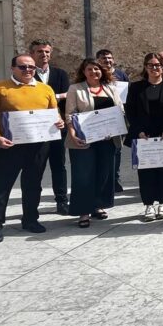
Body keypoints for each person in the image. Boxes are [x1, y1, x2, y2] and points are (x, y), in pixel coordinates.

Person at [0, 54, 65, 242]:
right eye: (22, 67)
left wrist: (59, 122)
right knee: (2, 185)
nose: (28, 70)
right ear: (12, 68)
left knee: (33, 184)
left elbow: (55, 113)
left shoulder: (46, 89)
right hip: (9, 145)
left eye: (31, 67)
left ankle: (30, 219)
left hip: (38, 145)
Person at [65, 58, 123, 228]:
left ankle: (97, 205)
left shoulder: (111, 88)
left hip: (107, 140)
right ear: (83, 72)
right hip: (83, 139)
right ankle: (83, 211)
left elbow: (120, 111)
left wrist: (113, 129)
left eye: (96, 69)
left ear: (102, 71)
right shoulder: (75, 89)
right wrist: (73, 134)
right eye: (89, 69)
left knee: (103, 173)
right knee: (83, 176)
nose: (93, 72)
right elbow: (70, 114)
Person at [125, 52, 163, 221]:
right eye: (151, 65)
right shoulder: (135, 87)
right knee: (145, 172)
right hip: (143, 136)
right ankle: (148, 204)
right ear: (145, 67)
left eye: (158, 65)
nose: (155, 68)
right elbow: (130, 111)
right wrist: (138, 130)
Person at [30, 39, 70, 214]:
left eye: (47, 51)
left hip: (57, 127)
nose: (44, 54)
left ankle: (62, 201)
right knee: (36, 167)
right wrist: (57, 96)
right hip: (35, 129)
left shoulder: (60, 74)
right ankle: (32, 205)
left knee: (59, 166)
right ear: (32, 54)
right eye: (39, 51)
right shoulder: (28, 74)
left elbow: (68, 97)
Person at [96, 48, 129, 191]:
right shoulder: (96, 74)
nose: (107, 61)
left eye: (109, 58)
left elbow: (127, 95)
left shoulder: (121, 75)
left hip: (118, 117)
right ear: (98, 61)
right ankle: (102, 179)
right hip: (100, 118)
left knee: (117, 149)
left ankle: (115, 179)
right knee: (101, 149)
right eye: (104, 58)